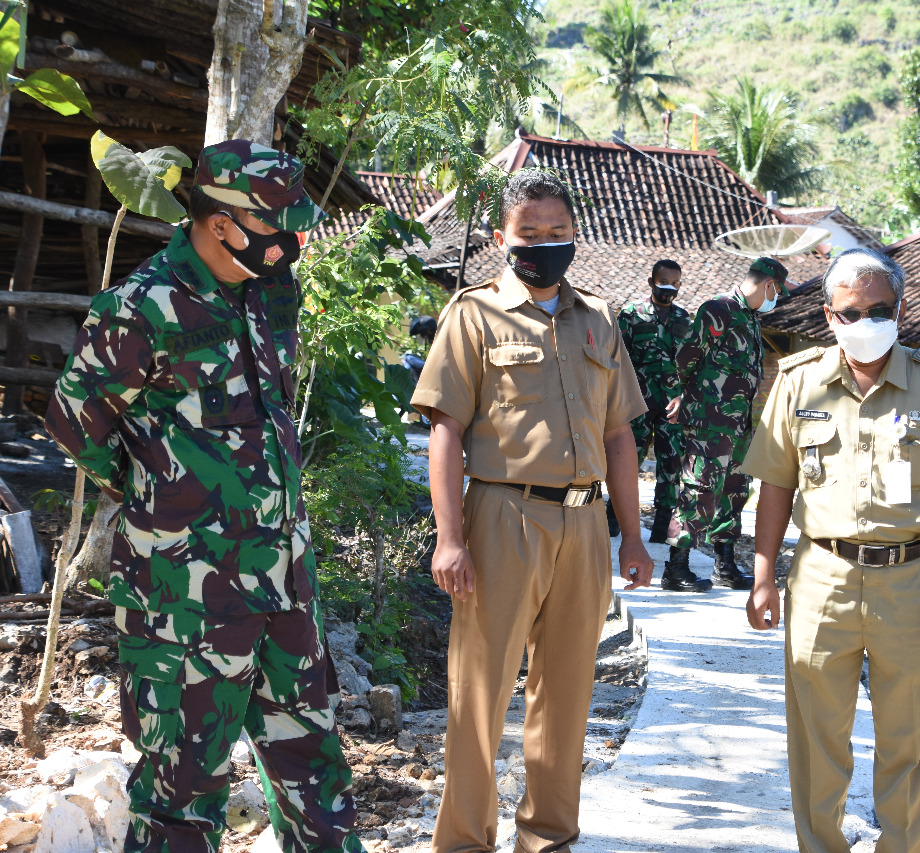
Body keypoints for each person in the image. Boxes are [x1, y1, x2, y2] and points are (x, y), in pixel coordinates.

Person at [44, 140, 360, 852]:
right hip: (186, 596)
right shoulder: (140, 308)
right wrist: (156, 488)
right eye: (276, 227)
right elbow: (75, 422)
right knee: (183, 790)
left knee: (315, 768)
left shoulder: (268, 292)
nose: (290, 244)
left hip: (284, 583)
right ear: (221, 223)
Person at [411, 169, 653, 853]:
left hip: (584, 522)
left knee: (568, 692)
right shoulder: (473, 314)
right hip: (502, 517)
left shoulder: (599, 320)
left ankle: (547, 836)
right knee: (479, 694)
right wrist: (449, 538)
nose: (544, 245)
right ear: (502, 238)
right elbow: (446, 430)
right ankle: (464, 841)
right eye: (530, 234)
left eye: (557, 234)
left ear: (574, 236)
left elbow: (619, 434)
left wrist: (631, 534)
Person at [744, 247, 920, 853]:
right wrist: (761, 576)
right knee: (816, 740)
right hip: (820, 578)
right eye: (850, 313)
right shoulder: (798, 381)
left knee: (909, 744)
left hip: (911, 584)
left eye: (878, 310)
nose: (865, 323)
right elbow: (775, 482)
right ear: (830, 316)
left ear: (899, 309)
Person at [662, 256, 793, 592]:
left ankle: (725, 565)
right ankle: (676, 568)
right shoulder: (717, 309)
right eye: (776, 291)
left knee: (734, 490)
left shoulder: (749, 318)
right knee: (700, 488)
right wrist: (684, 396)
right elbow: (687, 357)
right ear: (768, 285)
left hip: (737, 424)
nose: (775, 298)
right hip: (709, 420)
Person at [606, 259, 692, 540]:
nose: (670, 289)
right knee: (627, 464)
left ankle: (660, 529)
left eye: (675, 284)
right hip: (636, 404)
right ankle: (611, 521)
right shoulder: (632, 315)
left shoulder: (683, 319)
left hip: (671, 407)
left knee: (670, 468)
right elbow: (615, 358)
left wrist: (684, 396)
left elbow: (690, 363)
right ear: (651, 281)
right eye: (664, 282)